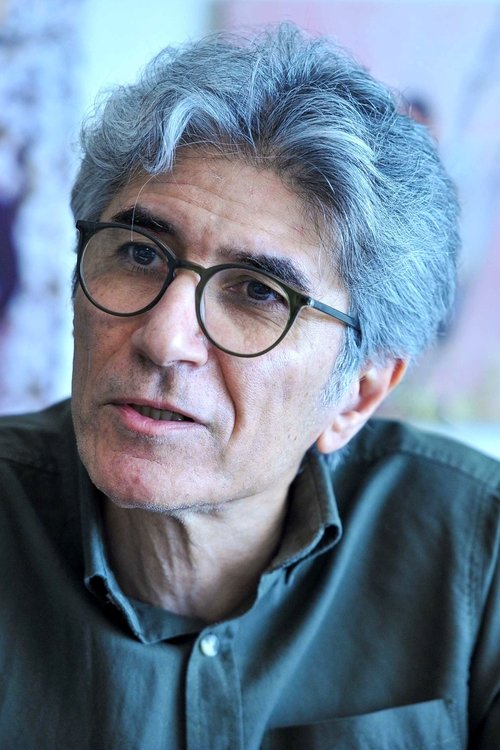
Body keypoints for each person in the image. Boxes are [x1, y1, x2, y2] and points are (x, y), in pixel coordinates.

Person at [0, 23, 498, 750]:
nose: (164, 337)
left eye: (259, 292)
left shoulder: (481, 556)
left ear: (358, 394)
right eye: (138, 253)